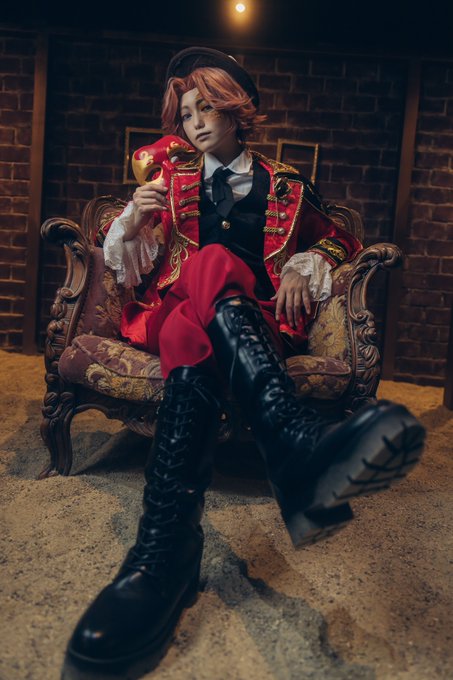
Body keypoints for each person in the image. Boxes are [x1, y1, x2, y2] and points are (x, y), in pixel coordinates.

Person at [64, 47, 425, 678]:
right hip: (172, 306)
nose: (195, 123)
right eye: (186, 113)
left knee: (199, 320)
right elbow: (124, 261)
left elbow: (341, 239)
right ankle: (294, 446)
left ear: (237, 112)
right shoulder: (169, 181)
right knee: (206, 265)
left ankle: (164, 554)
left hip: (252, 323)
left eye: (207, 108)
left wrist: (308, 264)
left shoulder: (286, 184)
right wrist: (134, 223)